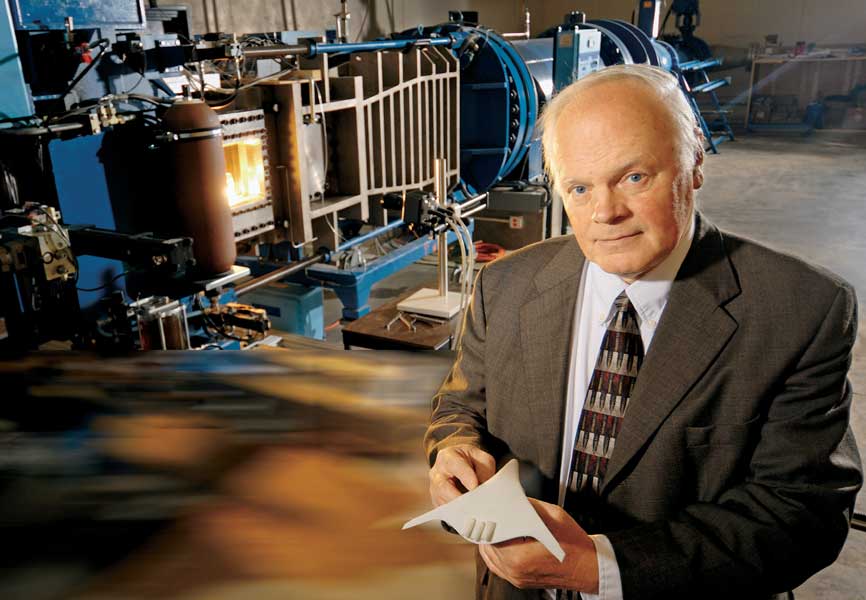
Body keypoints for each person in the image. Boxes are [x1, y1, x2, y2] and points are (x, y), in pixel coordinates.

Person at [425, 64, 862, 600]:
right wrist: (454, 449)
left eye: (634, 177)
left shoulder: (800, 310)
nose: (605, 212)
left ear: (695, 162)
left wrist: (600, 567)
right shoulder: (506, 284)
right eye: (579, 188)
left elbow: (799, 516)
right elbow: (461, 407)